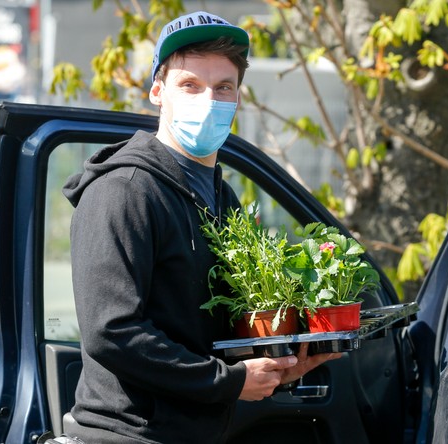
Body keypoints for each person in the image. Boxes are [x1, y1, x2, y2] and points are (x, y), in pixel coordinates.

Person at [61, 11, 338, 443]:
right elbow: (111, 332)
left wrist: (277, 365)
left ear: (238, 99)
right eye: (190, 85)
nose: (208, 100)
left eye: (223, 87)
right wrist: (228, 382)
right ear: (158, 91)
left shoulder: (220, 197)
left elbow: (206, 328)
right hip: (128, 435)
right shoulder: (124, 191)